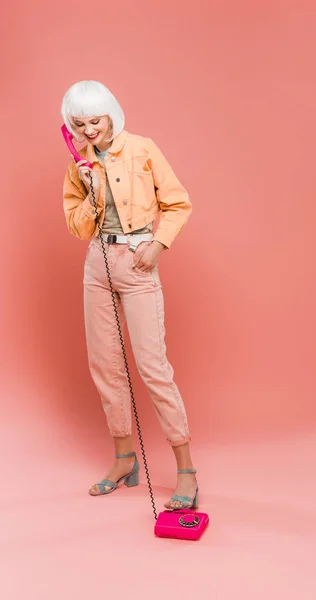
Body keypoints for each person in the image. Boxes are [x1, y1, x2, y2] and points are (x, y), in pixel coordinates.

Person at [61, 80, 198, 510]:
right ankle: (123, 460)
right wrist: (91, 189)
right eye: (79, 124)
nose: (89, 131)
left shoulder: (142, 148)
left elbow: (178, 203)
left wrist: (157, 246)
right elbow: (78, 227)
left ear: (111, 115)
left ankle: (187, 472)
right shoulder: (78, 165)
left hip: (138, 260)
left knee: (153, 367)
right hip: (97, 264)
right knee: (105, 366)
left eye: (95, 120)